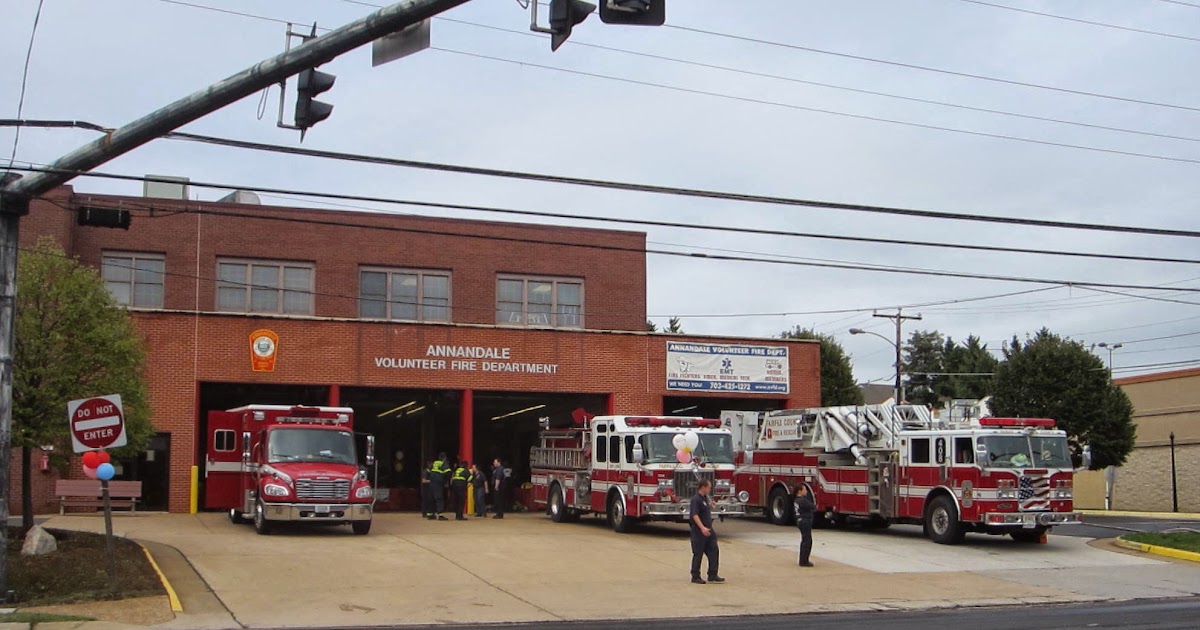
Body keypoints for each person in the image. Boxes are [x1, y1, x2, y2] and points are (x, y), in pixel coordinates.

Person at [688, 479, 723, 584]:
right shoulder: (696, 499)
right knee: (698, 553)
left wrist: (711, 505)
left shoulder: (705, 498)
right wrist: (702, 527)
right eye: (709, 487)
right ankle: (695, 576)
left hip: (709, 529)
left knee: (714, 550)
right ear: (703, 487)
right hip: (699, 531)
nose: (710, 489)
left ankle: (712, 574)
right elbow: (695, 515)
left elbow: (706, 508)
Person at [794, 484, 816, 567]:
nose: (806, 491)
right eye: (804, 490)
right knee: (807, 541)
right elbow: (812, 506)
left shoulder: (796, 500)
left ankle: (803, 559)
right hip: (805, 520)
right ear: (800, 491)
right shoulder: (802, 500)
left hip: (800, 520)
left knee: (805, 540)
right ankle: (804, 561)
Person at [429, 453, 451, 521]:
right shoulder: (444, 463)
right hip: (438, 483)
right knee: (439, 498)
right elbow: (448, 473)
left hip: (432, 481)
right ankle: (440, 515)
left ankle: (430, 514)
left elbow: (429, 470)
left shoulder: (435, 463)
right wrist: (446, 481)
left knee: (432, 498)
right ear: (444, 458)